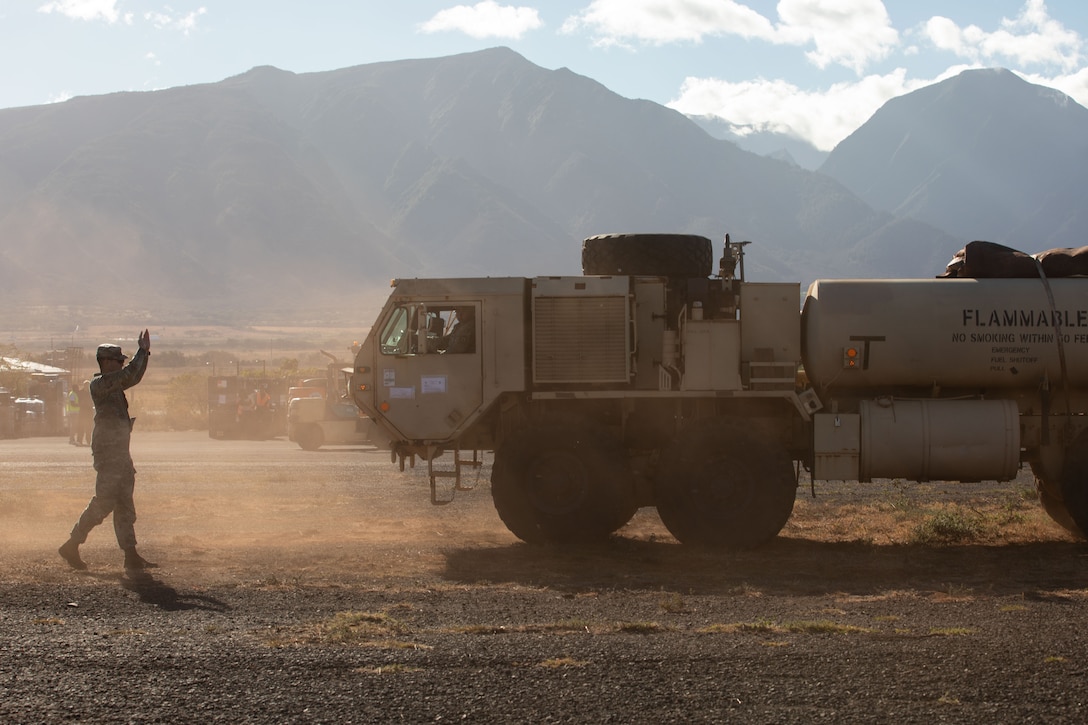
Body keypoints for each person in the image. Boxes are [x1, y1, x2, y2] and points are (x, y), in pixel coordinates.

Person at [58, 330, 156, 572]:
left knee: (124, 504)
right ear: (105, 362)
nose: (122, 364)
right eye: (118, 360)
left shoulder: (114, 387)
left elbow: (130, 377)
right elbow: (129, 376)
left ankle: (130, 556)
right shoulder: (100, 385)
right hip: (109, 454)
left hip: (120, 453)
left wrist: (144, 354)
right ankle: (71, 544)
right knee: (104, 503)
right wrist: (142, 353)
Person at [75, 380, 93, 446]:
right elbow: (78, 401)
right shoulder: (80, 393)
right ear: (84, 385)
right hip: (82, 412)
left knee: (89, 427)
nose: (87, 386)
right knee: (81, 426)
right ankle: (79, 440)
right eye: (86, 385)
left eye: (88, 385)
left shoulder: (91, 392)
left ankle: (88, 441)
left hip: (89, 412)